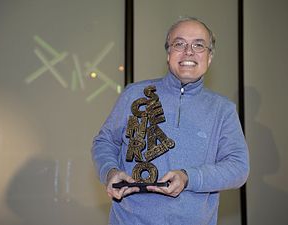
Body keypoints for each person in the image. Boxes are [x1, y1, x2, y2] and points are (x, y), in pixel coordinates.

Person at [91, 17, 249, 225]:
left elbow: (238, 168)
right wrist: (110, 171)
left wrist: (188, 177)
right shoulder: (134, 94)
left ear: (209, 57)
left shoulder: (223, 110)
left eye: (199, 45)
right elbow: (104, 142)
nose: (189, 52)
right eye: (179, 44)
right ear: (168, 54)